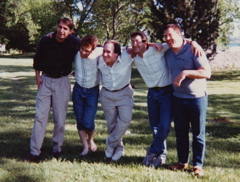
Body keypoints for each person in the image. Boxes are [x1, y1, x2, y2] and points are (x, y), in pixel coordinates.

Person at [23, 17, 80, 162]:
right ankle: (34, 151)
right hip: (46, 81)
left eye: (65, 29)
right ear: (57, 27)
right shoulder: (46, 40)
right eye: (60, 27)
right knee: (40, 117)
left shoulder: (74, 42)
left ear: (70, 31)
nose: (61, 30)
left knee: (60, 119)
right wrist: (37, 78)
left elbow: (89, 46)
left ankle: (57, 148)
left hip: (62, 81)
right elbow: (37, 59)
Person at [164, 24, 211, 176]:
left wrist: (185, 73)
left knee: (198, 133)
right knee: (181, 132)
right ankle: (182, 162)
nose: (168, 39)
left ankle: (197, 165)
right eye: (165, 36)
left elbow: (207, 72)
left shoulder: (193, 50)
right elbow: (153, 45)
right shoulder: (167, 51)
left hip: (197, 98)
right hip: (177, 98)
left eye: (170, 35)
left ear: (180, 35)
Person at [130, 31, 173, 168]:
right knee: (155, 126)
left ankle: (153, 151)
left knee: (165, 126)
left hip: (167, 91)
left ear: (145, 42)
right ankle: (161, 155)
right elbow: (114, 50)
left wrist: (193, 43)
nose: (134, 44)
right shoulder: (133, 57)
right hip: (152, 93)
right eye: (132, 42)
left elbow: (176, 42)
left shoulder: (158, 49)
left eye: (137, 41)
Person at [98, 40, 134, 162]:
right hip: (107, 94)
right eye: (104, 51)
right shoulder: (99, 58)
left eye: (108, 52)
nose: (105, 54)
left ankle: (110, 142)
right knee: (112, 125)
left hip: (124, 93)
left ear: (117, 54)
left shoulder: (126, 57)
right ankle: (119, 148)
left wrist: (190, 42)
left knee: (125, 119)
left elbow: (141, 47)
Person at [72, 35, 102, 156]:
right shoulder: (76, 53)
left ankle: (91, 140)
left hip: (92, 91)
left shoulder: (99, 54)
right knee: (79, 120)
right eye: (82, 49)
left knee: (88, 122)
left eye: (87, 50)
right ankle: (85, 147)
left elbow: (117, 47)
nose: (83, 52)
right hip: (78, 89)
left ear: (93, 49)